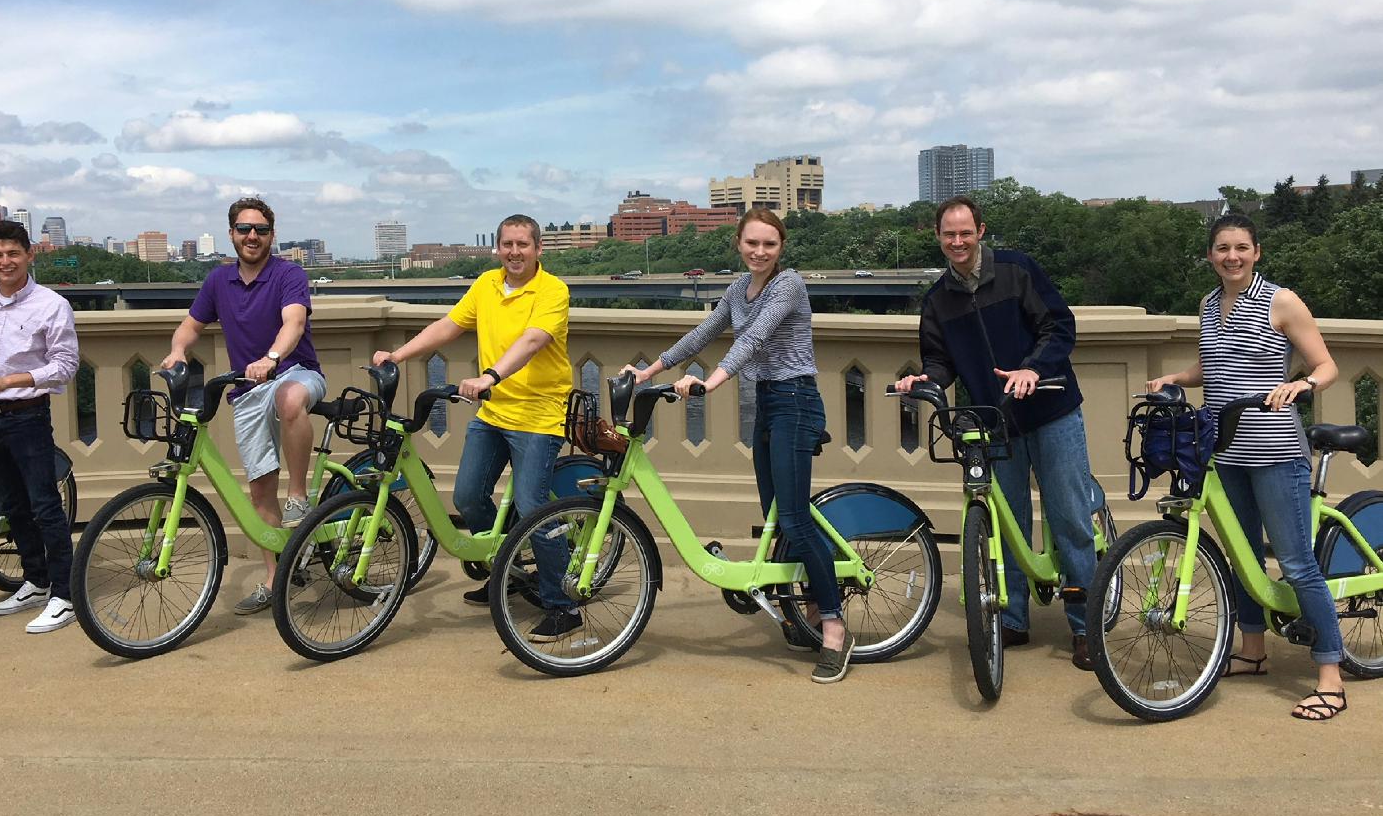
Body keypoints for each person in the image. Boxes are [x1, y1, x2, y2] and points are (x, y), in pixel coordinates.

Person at [625, 208, 853, 683]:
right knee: (779, 513)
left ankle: (833, 625)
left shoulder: (788, 284)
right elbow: (703, 334)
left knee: (791, 517)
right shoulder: (737, 289)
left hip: (796, 400)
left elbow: (753, 339)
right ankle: (804, 605)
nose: (760, 251)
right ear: (738, 243)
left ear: (781, 247)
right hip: (768, 403)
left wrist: (712, 382)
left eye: (769, 244)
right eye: (752, 243)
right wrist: (649, 370)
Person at [1148, 213, 1345, 721]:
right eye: (1221, 249)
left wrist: (1304, 385)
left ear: (1256, 252)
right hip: (1224, 453)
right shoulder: (1209, 304)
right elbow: (1212, 364)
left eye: (1240, 248)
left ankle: (1330, 676)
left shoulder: (1281, 300)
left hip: (1275, 452)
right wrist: (1177, 375)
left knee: (1297, 564)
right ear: (1210, 255)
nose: (1230, 256)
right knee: (1243, 559)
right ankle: (1253, 652)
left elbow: (1326, 365)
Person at [895, 195, 1102, 670]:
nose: (958, 242)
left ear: (981, 231)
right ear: (938, 238)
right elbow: (940, 362)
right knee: (1005, 523)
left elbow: (1059, 326)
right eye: (949, 234)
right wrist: (923, 381)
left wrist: (1032, 368)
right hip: (995, 421)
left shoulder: (1017, 270)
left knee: (1069, 518)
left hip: (1051, 409)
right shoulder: (938, 300)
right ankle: (1011, 618)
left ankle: (1085, 626)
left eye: (966, 232)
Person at [370, 214, 577, 640]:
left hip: (538, 414)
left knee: (533, 504)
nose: (515, 252)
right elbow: (449, 326)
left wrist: (491, 376)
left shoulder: (553, 290)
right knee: (467, 497)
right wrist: (399, 354)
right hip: (494, 413)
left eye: (523, 244)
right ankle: (511, 572)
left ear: (539, 249)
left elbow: (534, 340)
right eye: (507, 244)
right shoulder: (486, 284)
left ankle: (562, 604)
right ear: (497, 248)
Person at [161, 197, 326, 614]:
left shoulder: (288, 274)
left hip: (295, 371)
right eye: (244, 229)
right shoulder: (218, 281)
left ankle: (301, 496)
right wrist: (179, 350)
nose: (252, 236)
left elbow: (295, 322)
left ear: (272, 235)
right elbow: (190, 325)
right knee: (258, 491)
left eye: (261, 230)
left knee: (290, 398)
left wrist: (271, 359)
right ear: (232, 234)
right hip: (248, 389)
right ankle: (276, 580)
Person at [0, 220, 80, 633]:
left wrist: (11, 381)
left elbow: (65, 367)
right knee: (12, 506)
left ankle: (64, 595)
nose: (5, 261)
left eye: (13, 253)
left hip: (28, 415)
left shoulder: (51, 304)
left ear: (29, 255)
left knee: (44, 506)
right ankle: (34, 580)